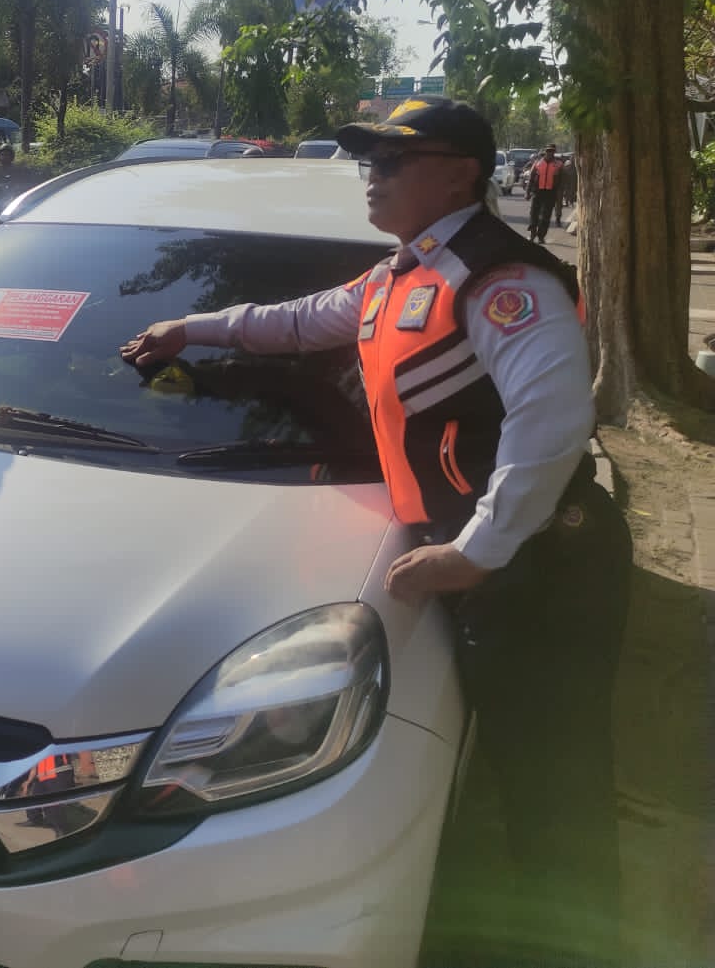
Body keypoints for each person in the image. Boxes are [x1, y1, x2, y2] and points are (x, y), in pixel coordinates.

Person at [122, 96, 631, 966]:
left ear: (460, 173)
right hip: (501, 559)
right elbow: (295, 320)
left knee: (557, 780)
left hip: (546, 564)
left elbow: (549, 428)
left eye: (395, 159)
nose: (374, 172)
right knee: (523, 767)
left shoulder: (502, 280)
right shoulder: (400, 273)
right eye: (369, 158)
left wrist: (475, 550)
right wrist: (190, 327)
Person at [527, 143, 563, 243]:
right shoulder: (537, 163)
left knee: (546, 216)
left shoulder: (559, 165)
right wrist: (528, 192)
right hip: (538, 192)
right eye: (548, 151)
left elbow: (561, 182)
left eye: (552, 151)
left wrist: (560, 196)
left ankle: (541, 236)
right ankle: (532, 233)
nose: (550, 153)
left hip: (551, 193)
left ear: (554, 153)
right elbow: (531, 178)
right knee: (534, 214)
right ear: (545, 151)